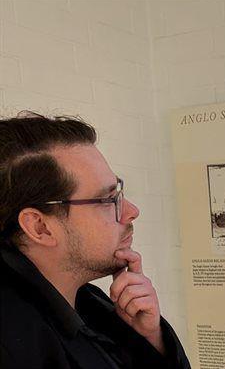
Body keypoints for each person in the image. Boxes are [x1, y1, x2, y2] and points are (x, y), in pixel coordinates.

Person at [0, 112, 191, 368]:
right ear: (40, 227)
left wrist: (149, 337)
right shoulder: (15, 346)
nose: (131, 211)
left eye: (119, 192)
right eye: (107, 200)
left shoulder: (91, 301)